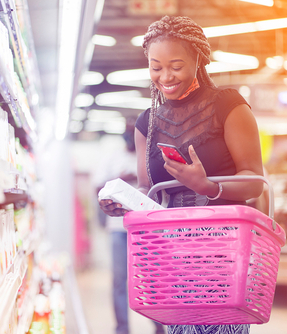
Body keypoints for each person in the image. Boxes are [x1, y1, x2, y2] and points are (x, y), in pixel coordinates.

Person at [98, 15, 264, 334]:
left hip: (223, 250)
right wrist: (124, 203)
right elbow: (149, 192)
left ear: (198, 59)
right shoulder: (146, 123)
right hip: (172, 255)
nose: (165, 76)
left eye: (176, 65)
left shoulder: (228, 106)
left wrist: (207, 186)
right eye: (155, 67)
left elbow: (255, 181)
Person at [93, 118, 165, 334]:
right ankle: (122, 329)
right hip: (118, 229)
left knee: (154, 279)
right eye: (128, 130)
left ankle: (159, 325)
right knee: (119, 281)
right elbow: (98, 185)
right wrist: (122, 179)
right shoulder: (113, 157)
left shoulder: (150, 157)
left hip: (147, 230)